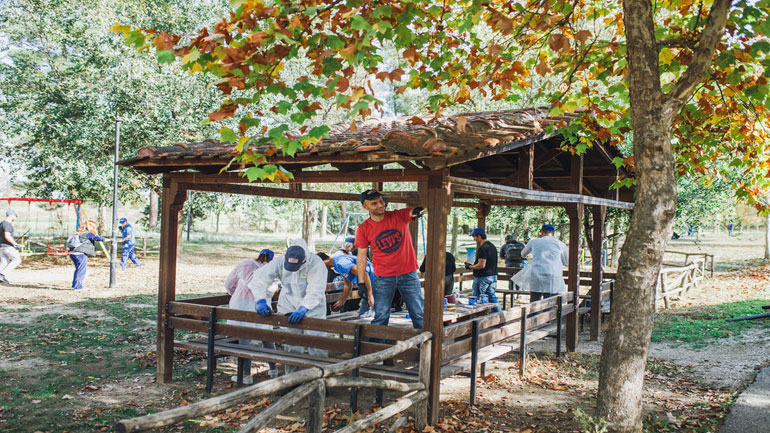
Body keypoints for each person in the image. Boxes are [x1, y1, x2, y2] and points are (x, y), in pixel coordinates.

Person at [249, 238, 328, 375]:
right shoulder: (279, 261)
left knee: (316, 344)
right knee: (291, 344)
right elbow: (259, 279)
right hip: (288, 306)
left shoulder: (315, 263)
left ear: (303, 260)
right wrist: (261, 300)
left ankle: (318, 379)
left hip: (313, 309)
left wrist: (304, 308)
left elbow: (316, 289)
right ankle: (291, 379)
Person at [355, 189, 426, 329]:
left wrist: (420, 211)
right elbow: (361, 256)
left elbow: (414, 212)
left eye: (381, 201)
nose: (380, 205)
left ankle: (425, 349)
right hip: (383, 276)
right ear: (365, 206)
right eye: (374, 203)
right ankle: (377, 348)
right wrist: (361, 282)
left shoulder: (398, 216)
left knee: (418, 313)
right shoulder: (363, 228)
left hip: (408, 273)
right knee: (381, 316)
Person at [224, 249, 277, 384]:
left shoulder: (245, 264)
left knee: (244, 337)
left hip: (241, 303)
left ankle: (246, 375)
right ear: (271, 259)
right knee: (267, 336)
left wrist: (235, 292)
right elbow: (272, 291)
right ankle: (273, 370)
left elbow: (229, 283)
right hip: (262, 305)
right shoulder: (272, 269)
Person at [519, 224, 568, 303]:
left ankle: (534, 314)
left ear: (542, 232)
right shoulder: (560, 244)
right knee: (549, 302)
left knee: (534, 302)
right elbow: (567, 261)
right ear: (553, 233)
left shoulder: (534, 242)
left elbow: (523, 254)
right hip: (553, 276)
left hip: (536, 275)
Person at [319, 252, 376, 318]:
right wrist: (341, 302)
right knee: (364, 315)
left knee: (366, 316)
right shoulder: (337, 265)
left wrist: (370, 295)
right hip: (370, 285)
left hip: (375, 282)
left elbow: (364, 274)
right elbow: (348, 285)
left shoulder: (340, 263)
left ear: (325, 261)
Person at [464, 228, 500, 312]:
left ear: (479, 236)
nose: (474, 239)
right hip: (493, 276)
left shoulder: (483, 248)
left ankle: (477, 320)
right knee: (492, 297)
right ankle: (499, 317)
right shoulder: (492, 246)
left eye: (474, 237)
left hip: (483, 277)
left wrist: (470, 266)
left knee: (478, 298)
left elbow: (481, 265)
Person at [67, 220, 105, 290]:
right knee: (81, 270)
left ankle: (75, 285)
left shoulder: (79, 232)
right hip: (80, 254)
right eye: (94, 227)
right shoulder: (88, 234)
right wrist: (106, 239)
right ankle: (77, 287)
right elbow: (97, 238)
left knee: (78, 270)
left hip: (73, 253)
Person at [0, 209, 21, 284]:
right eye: (15, 216)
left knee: (4, 262)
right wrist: (15, 244)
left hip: (1, 246)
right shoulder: (7, 224)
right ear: (11, 215)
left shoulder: (1, 223)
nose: (16, 217)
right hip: (7, 246)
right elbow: (7, 236)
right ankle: (2, 275)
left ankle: (1, 277)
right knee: (17, 260)